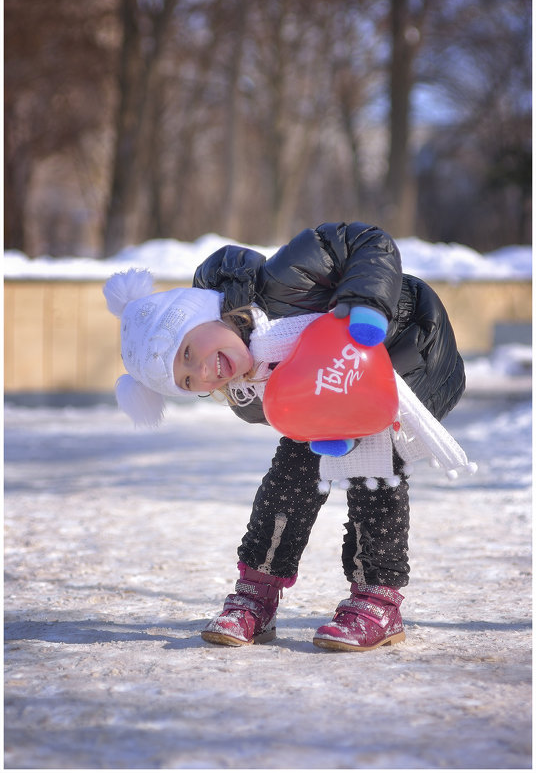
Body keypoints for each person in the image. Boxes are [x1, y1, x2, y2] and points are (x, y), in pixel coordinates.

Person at [103, 220, 466, 652]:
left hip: (407, 347)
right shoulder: (243, 392)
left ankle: (377, 599)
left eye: (188, 352)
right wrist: (324, 426)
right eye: (186, 380)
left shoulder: (285, 278)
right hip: (328, 390)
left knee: (375, 474)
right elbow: (287, 418)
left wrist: (365, 304)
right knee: (288, 481)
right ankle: (256, 592)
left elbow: (370, 241)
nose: (202, 372)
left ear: (201, 315)